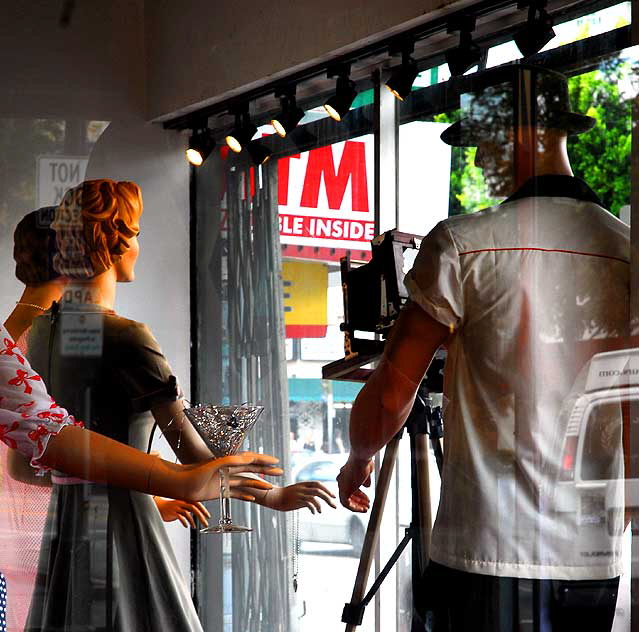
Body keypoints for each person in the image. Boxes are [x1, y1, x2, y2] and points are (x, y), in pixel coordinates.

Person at [337, 64, 629, 631]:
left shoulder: (464, 245)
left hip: (489, 555)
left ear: (520, 135)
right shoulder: (624, 251)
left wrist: (357, 458)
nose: (475, 161)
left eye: (480, 142)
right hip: (592, 560)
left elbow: (392, 395)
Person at [24, 179, 333, 632]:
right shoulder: (127, 337)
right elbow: (194, 457)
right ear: (117, 240)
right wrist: (274, 496)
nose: (139, 246)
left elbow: (25, 466)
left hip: (66, 534)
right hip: (123, 533)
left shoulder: (41, 332)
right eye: (138, 232)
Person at [3, 209, 216, 632]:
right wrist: (154, 487)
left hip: (43, 534)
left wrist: (149, 495)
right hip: (60, 531)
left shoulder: (19, 330)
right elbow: (42, 459)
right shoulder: (50, 337)